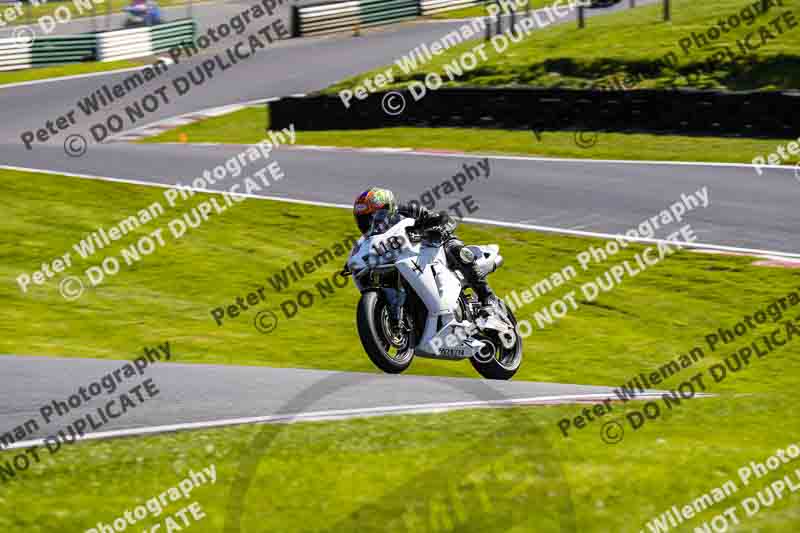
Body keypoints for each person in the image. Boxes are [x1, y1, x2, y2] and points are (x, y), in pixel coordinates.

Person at [352, 187, 499, 317]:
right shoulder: (368, 240)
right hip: (406, 259)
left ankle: (487, 297)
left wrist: (436, 227)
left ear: (389, 209)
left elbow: (445, 219)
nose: (371, 223)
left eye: (375, 217)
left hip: (433, 246)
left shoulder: (409, 211)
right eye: (364, 220)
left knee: (456, 250)